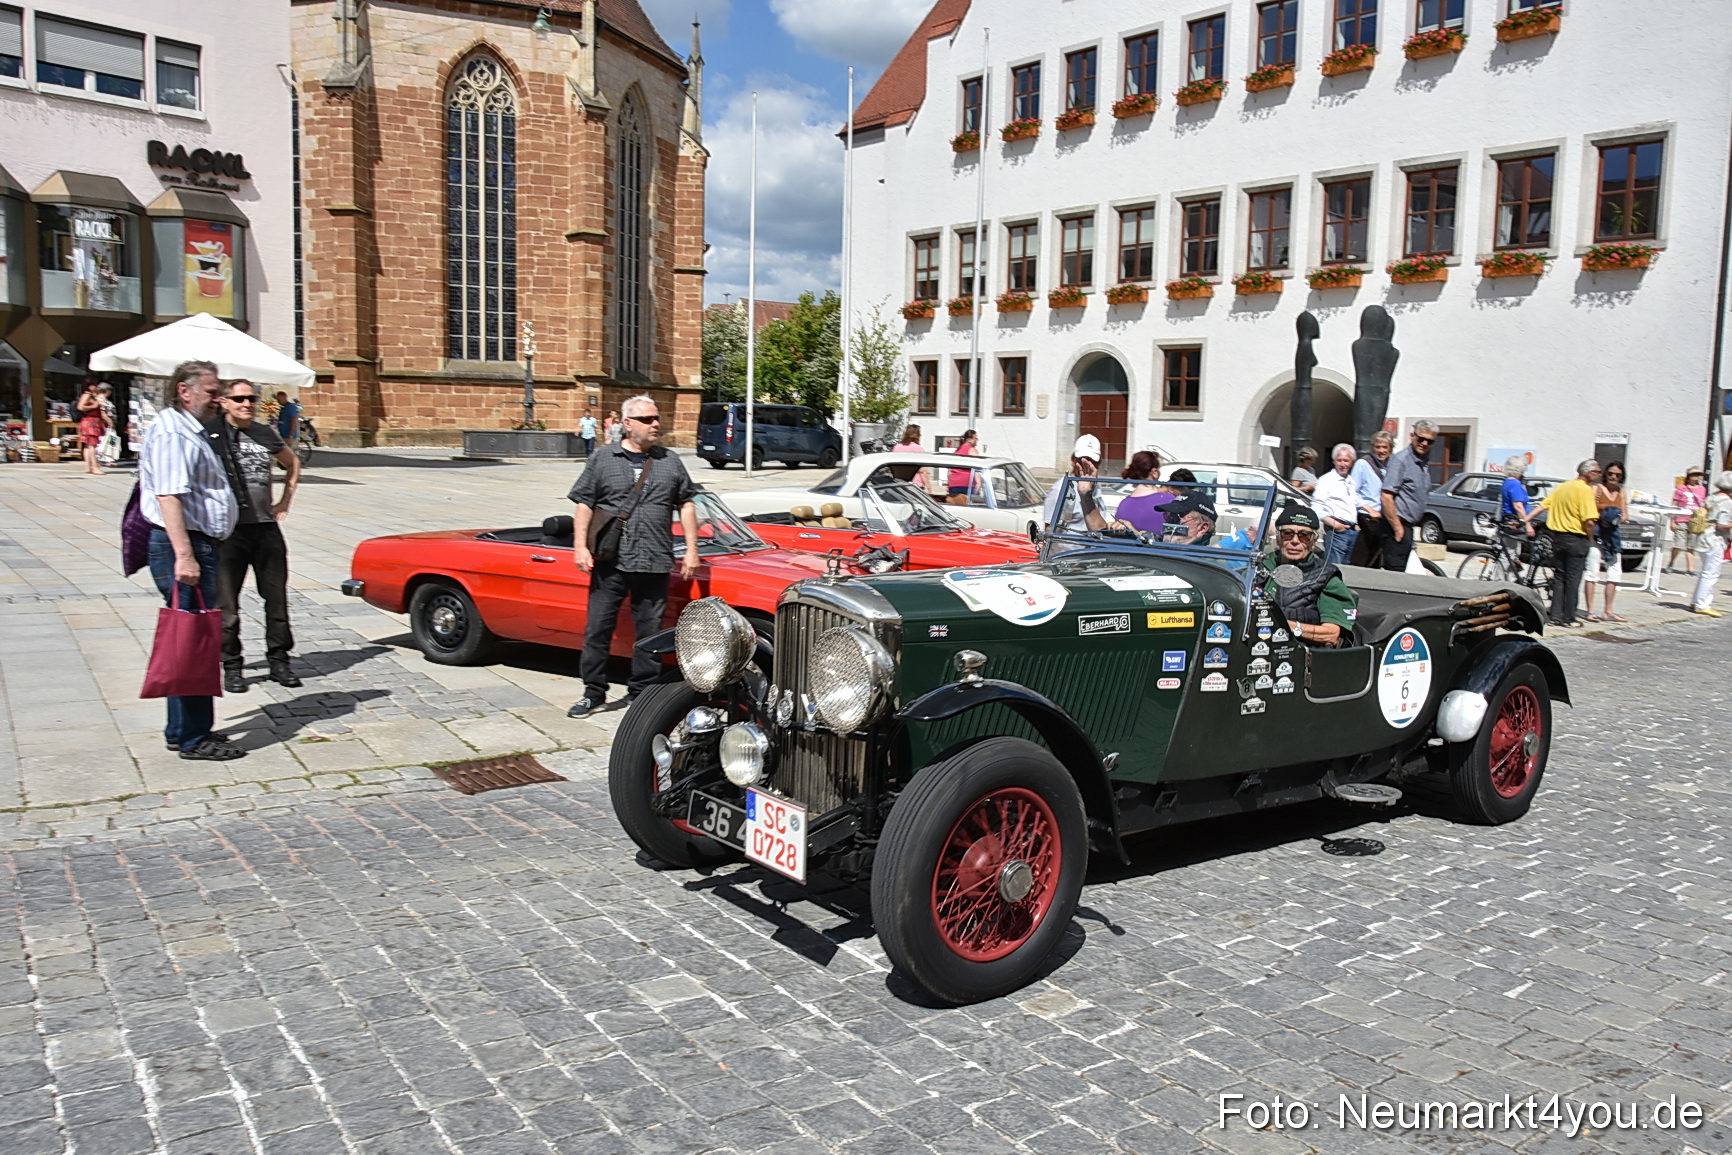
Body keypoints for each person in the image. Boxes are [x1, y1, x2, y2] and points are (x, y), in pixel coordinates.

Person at [566, 394, 701, 717]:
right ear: (627, 424)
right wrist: (580, 546)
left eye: (657, 419)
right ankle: (593, 692)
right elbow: (584, 503)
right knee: (598, 628)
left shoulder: (670, 461)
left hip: (654, 558)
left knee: (650, 632)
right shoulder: (603, 459)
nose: (656, 424)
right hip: (611, 560)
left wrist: (693, 550)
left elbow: (687, 503)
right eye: (647, 419)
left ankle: (641, 694)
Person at [138, 361, 245, 762]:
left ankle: (181, 729)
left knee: (189, 639)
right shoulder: (171, 432)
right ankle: (194, 738)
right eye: (212, 390)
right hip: (184, 546)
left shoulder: (187, 429)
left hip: (196, 544)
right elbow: (169, 496)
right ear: (185, 391)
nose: (219, 398)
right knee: (196, 639)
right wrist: (185, 555)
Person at [212, 379, 304, 693]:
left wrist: (284, 501)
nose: (247, 404)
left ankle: (279, 660)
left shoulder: (264, 433)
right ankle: (233, 666)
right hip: (228, 531)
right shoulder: (212, 434)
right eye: (239, 398)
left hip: (265, 529)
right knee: (227, 605)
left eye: (251, 398)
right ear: (223, 401)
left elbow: (292, 464)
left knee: (276, 599)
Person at [1260, 505, 1357, 647]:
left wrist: (1286, 626)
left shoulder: (1326, 576)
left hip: (1300, 653)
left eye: (1304, 535)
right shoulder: (1260, 565)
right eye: (1288, 533)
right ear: (1279, 538)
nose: (1295, 541)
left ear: (1313, 542)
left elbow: (1331, 634)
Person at [1538, 460, 1602, 628]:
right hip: (1576, 538)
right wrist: (1590, 539)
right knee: (1573, 579)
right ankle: (1569, 618)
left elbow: (1543, 505)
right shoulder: (1585, 490)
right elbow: (1589, 520)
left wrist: (1527, 520)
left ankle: (1555, 616)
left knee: (1559, 577)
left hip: (1558, 537)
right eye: (1597, 471)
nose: (1599, 474)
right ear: (1588, 472)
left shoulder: (1563, 486)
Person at [1378, 420, 1438, 571]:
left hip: (1409, 526)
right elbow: (1386, 496)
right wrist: (1398, 529)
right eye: (1421, 439)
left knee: (1404, 573)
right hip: (1397, 526)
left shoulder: (1422, 462)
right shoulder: (1401, 460)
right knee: (1395, 575)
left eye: (1429, 441)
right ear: (1412, 436)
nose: (1424, 443)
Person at [1584, 460, 1630, 623]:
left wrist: (1614, 518)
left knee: (1615, 573)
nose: (1613, 477)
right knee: (1592, 571)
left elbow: (1625, 515)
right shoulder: (1596, 489)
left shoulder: (1621, 491)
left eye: (1617, 475)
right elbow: (1588, 511)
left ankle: (1608, 610)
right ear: (1605, 474)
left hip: (1613, 536)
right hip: (1596, 534)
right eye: (1610, 473)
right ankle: (1590, 610)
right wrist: (1602, 517)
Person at [1689, 471, 1732, 616]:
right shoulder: (1727, 501)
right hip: (1715, 539)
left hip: (1703, 537)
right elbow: (1722, 525)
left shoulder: (1712, 497)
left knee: (1705, 571)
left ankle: (1696, 601)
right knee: (1711, 573)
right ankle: (1702, 604)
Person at [1349, 431, 1394, 567]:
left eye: (1385, 447)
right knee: (1363, 556)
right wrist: (1368, 509)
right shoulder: (1363, 464)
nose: (1381, 451)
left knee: (1376, 558)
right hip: (1367, 516)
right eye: (1378, 447)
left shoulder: (1391, 465)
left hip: (1384, 517)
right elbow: (1352, 491)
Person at [1041, 435, 1102, 532]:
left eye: (1092, 461)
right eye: (1082, 460)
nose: (1087, 465)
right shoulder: (1060, 490)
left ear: (1098, 463)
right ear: (1073, 460)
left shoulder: (1096, 485)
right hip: (1072, 547)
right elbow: (1049, 531)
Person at [1312, 443, 1359, 566]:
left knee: (1347, 570)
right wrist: (1337, 525)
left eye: (1346, 460)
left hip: (1352, 532)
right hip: (1337, 532)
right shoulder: (1326, 480)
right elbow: (1316, 508)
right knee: (1333, 569)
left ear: (1352, 462)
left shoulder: (1351, 482)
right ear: (1334, 461)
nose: (1342, 464)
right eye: (1339, 460)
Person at [1497, 455, 1538, 573]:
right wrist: (1528, 525)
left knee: (1510, 554)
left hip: (1508, 521)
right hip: (1515, 523)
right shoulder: (1515, 484)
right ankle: (1501, 582)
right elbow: (1518, 506)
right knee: (1509, 554)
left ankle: (1510, 580)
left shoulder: (1507, 482)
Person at [1668, 467, 1709, 574]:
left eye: (1697, 474)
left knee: (1691, 546)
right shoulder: (1681, 488)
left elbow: (1703, 505)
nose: (1695, 477)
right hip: (1681, 519)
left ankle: (1690, 569)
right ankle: (1671, 563)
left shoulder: (1702, 489)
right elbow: (1674, 504)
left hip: (1695, 520)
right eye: (1693, 474)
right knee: (1678, 544)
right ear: (1688, 476)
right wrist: (1673, 520)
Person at [76, 379, 107, 475]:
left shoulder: (92, 395)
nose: (96, 387)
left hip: (93, 421)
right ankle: (94, 466)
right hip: (90, 422)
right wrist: (94, 406)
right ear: (90, 386)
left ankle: (88, 466)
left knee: (88, 445)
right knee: (92, 445)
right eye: (94, 385)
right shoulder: (87, 395)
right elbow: (80, 407)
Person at [946, 429, 979, 505]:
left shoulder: (957, 451)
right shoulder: (972, 451)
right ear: (969, 439)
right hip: (966, 484)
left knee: (956, 506)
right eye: (976, 438)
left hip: (953, 484)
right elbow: (977, 468)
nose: (977, 440)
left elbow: (950, 470)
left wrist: (948, 483)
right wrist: (978, 482)